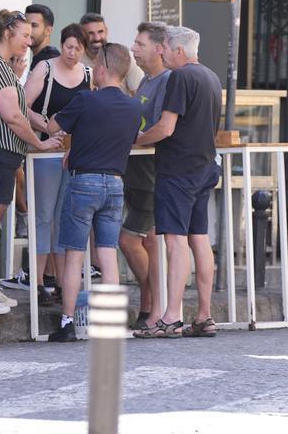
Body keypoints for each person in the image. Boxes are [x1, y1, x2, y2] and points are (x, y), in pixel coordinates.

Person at [45, 43, 144, 342]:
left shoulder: (85, 100)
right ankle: (110, 322)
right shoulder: (133, 105)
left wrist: (73, 144)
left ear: (101, 68)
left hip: (83, 181)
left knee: (75, 255)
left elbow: (52, 126)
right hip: (115, 183)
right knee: (107, 254)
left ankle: (67, 323)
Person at [0, 9, 63, 307]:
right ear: (8, 33)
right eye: (25, 35)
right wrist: (40, 143)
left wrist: (45, 128)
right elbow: (11, 115)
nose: (29, 41)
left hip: (1, 153)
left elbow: (19, 111)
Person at [134, 26, 221, 339]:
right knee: (199, 238)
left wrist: (138, 139)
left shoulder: (180, 77)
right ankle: (204, 314)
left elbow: (166, 127)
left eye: (166, 48)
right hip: (205, 166)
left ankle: (171, 317)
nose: (162, 52)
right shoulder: (211, 77)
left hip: (178, 170)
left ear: (179, 51)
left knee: (174, 240)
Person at [7, 23, 92, 300]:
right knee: (42, 215)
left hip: (74, 151)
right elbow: (23, 104)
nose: (73, 53)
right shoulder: (45, 68)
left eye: (78, 49)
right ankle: (38, 279)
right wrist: (46, 125)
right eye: (69, 46)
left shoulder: (88, 74)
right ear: (62, 44)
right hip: (45, 149)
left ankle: (57, 279)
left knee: (63, 216)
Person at [120, 22, 170, 331]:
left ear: (159, 48)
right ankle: (150, 304)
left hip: (152, 173)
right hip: (136, 173)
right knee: (149, 242)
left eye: (140, 44)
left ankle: (155, 298)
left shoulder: (166, 81)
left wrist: (135, 139)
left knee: (128, 240)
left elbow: (163, 127)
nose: (134, 48)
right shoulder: (146, 81)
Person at [79, 13, 144, 94]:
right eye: (90, 33)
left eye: (100, 32)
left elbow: (139, 96)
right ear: (81, 35)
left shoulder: (125, 57)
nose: (97, 38)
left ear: (106, 31)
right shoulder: (76, 60)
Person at [26, 3, 60, 70]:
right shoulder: (41, 58)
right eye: (26, 24)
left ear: (48, 30)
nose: (28, 30)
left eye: (34, 25)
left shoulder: (49, 62)